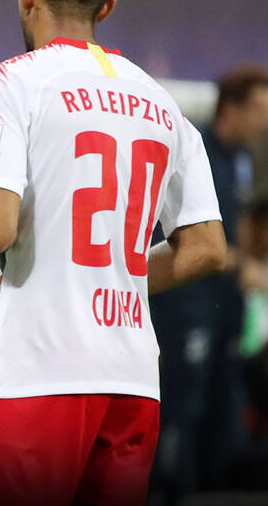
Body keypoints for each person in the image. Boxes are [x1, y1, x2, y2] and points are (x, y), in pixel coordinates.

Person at [0, 0, 228, 506]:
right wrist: (118, 275)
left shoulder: (12, 81)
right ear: (107, 4)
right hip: (132, 379)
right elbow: (207, 247)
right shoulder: (160, 100)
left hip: (40, 372)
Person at [150, 64, 268, 501]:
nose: (264, 121)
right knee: (182, 409)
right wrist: (244, 266)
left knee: (221, 411)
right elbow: (191, 240)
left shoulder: (241, 158)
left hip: (223, 307)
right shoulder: (194, 151)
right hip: (186, 305)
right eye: (257, 109)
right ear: (229, 109)